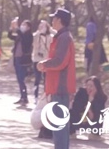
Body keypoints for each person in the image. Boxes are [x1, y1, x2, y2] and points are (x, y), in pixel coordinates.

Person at [37, 8, 76, 149]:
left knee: (58, 124)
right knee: (60, 125)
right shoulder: (62, 37)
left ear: (60, 20)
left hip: (60, 86)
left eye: (54, 18)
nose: (52, 20)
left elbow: (60, 61)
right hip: (58, 86)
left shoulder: (64, 38)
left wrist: (44, 64)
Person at [70, 76, 107, 141]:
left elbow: (94, 115)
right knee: (71, 112)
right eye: (87, 85)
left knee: (100, 115)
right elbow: (75, 109)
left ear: (97, 87)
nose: (88, 88)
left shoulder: (101, 97)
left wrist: (89, 103)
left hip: (91, 118)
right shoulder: (81, 93)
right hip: (79, 117)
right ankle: (71, 132)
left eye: (91, 86)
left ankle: (95, 134)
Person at [8, 19, 33, 105]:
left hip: (23, 60)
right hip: (17, 58)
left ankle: (25, 97)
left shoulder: (29, 36)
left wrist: (17, 28)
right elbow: (10, 36)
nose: (22, 26)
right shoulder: (19, 36)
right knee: (19, 79)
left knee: (21, 79)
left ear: (28, 27)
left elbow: (25, 40)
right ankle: (22, 96)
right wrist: (11, 28)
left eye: (24, 25)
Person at [32, 20, 53, 100]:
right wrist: (38, 33)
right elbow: (34, 45)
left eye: (43, 26)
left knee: (46, 78)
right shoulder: (36, 35)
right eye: (40, 26)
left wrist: (49, 29)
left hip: (46, 58)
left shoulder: (50, 36)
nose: (42, 28)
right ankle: (36, 95)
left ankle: (45, 94)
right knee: (37, 77)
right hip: (37, 58)